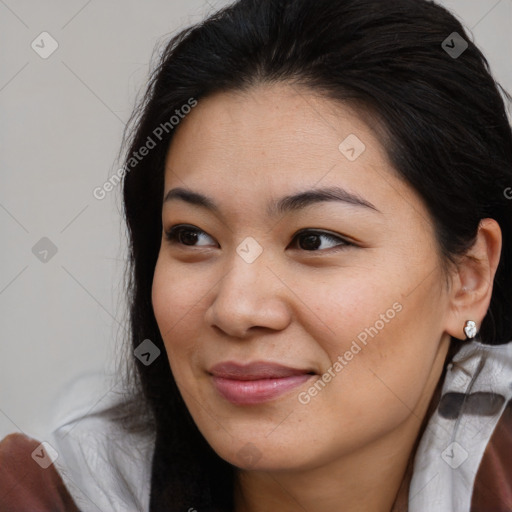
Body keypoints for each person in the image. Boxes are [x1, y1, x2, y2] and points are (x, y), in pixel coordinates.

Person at [1, 0, 512, 510]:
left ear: (468, 278)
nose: (236, 309)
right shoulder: (39, 494)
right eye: (193, 236)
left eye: (314, 240)